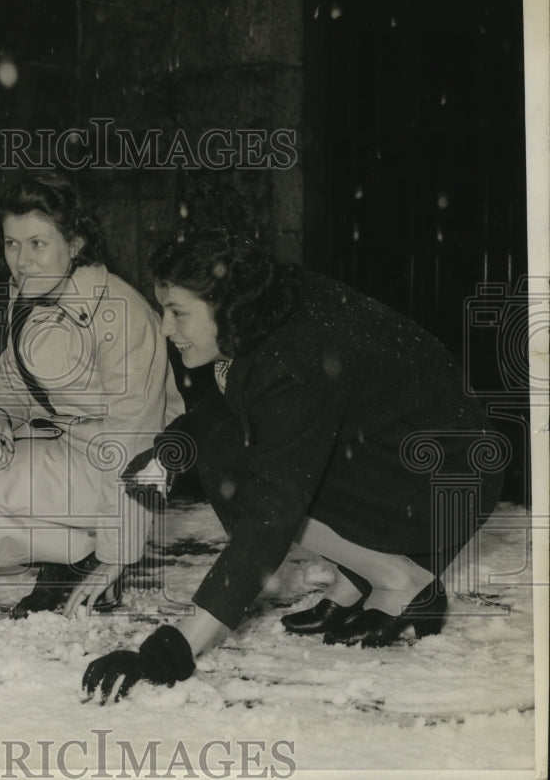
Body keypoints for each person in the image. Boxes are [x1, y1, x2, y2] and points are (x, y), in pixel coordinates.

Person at [82, 231, 506, 702]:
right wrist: (170, 449)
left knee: (237, 471)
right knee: (233, 448)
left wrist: (177, 646)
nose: (165, 328)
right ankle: (359, 575)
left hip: (440, 481)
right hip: (417, 458)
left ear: (225, 307)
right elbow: (243, 394)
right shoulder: (269, 303)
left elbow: (271, 512)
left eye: (178, 312)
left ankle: (398, 578)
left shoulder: (293, 357)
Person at [0, 173, 184, 618]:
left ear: (74, 244)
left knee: (81, 503)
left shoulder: (121, 312)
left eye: (37, 244)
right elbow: (14, 378)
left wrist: (119, 553)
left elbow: (134, 439)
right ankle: (75, 557)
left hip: (134, 458)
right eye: (11, 244)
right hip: (68, 445)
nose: (21, 261)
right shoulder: (26, 294)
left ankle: (102, 558)